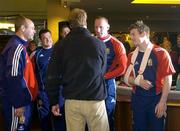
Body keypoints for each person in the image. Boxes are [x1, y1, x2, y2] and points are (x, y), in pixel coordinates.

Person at [45, 8, 109, 131]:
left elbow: (52, 76)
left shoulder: (61, 45)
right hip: (94, 99)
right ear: (86, 22)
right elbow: (102, 71)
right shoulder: (99, 44)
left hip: (72, 100)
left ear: (70, 24)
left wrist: (54, 101)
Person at [124, 21, 175, 131]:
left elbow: (168, 79)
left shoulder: (161, 53)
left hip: (155, 99)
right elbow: (127, 78)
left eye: (133, 34)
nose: (130, 37)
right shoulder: (131, 56)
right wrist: (138, 82)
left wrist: (162, 102)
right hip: (138, 99)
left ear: (144, 34)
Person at [0, 15, 38, 131]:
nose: (34, 31)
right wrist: (18, 103)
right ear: (22, 28)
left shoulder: (19, 45)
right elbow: (13, 77)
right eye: (32, 28)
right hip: (16, 102)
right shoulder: (16, 47)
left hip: (21, 100)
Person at [94, 16, 127, 131]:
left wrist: (105, 76)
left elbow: (123, 67)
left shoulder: (116, 44)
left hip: (108, 84)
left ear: (108, 27)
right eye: (96, 27)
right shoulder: (90, 42)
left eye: (101, 27)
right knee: (93, 117)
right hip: (92, 85)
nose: (98, 30)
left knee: (108, 115)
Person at [32, 29, 54, 131]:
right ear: (40, 40)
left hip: (57, 92)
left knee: (58, 117)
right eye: (44, 38)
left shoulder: (59, 51)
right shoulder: (36, 54)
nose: (47, 40)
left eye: (49, 37)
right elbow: (31, 74)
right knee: (44, 118)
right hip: (43, 92)